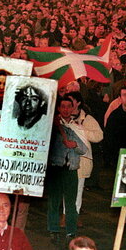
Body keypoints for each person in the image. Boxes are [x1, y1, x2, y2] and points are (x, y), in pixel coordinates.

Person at [47, 97, 87, 242]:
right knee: (54, 201)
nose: (65, 109)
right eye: (62, 106)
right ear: (58, 108)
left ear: (72, 108)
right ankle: (53, 229)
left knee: (71, 203)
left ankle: (71, 231)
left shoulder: (77, 127)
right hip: (55, 169)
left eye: (68, 107)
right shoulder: (52, 125)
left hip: (71, 170)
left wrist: (75, 144)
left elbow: (84, 149)